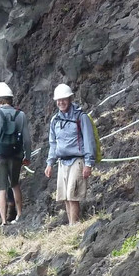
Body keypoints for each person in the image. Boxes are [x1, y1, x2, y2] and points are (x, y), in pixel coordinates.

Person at [44, 84, 95, 225]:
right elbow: (53, 143)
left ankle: (74, 226)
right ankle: (72, 224)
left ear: (70, 98)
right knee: (65, 197)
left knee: (73, 196)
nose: (61, 102)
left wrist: (88, 163)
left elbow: (89, 141)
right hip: (62, 162)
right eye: (58, 100)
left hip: (77, 161)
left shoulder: (81, 117)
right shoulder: (55, 120)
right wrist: (50, 163)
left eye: (64, 99)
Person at [0, 82, 31, 226]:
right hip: (16, 155)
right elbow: (27, 139)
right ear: (11, 99)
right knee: (15, 185)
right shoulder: (20, 115)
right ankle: (19, 215)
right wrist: (27, 156)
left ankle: (4, 220)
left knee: (1, 188)